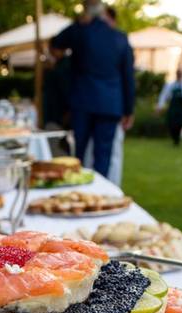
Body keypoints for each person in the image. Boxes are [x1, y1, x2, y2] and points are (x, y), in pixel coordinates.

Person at [51, 0, 135, 179]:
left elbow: (56, 43)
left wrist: (79, 23)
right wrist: (129, 110)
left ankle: (78, 191)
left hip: (83, 101)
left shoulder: (80, 32)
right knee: (103, 157)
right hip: (110, 104)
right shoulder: (120, 38)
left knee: (79, 153)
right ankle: (99, 195)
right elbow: (128, 77)